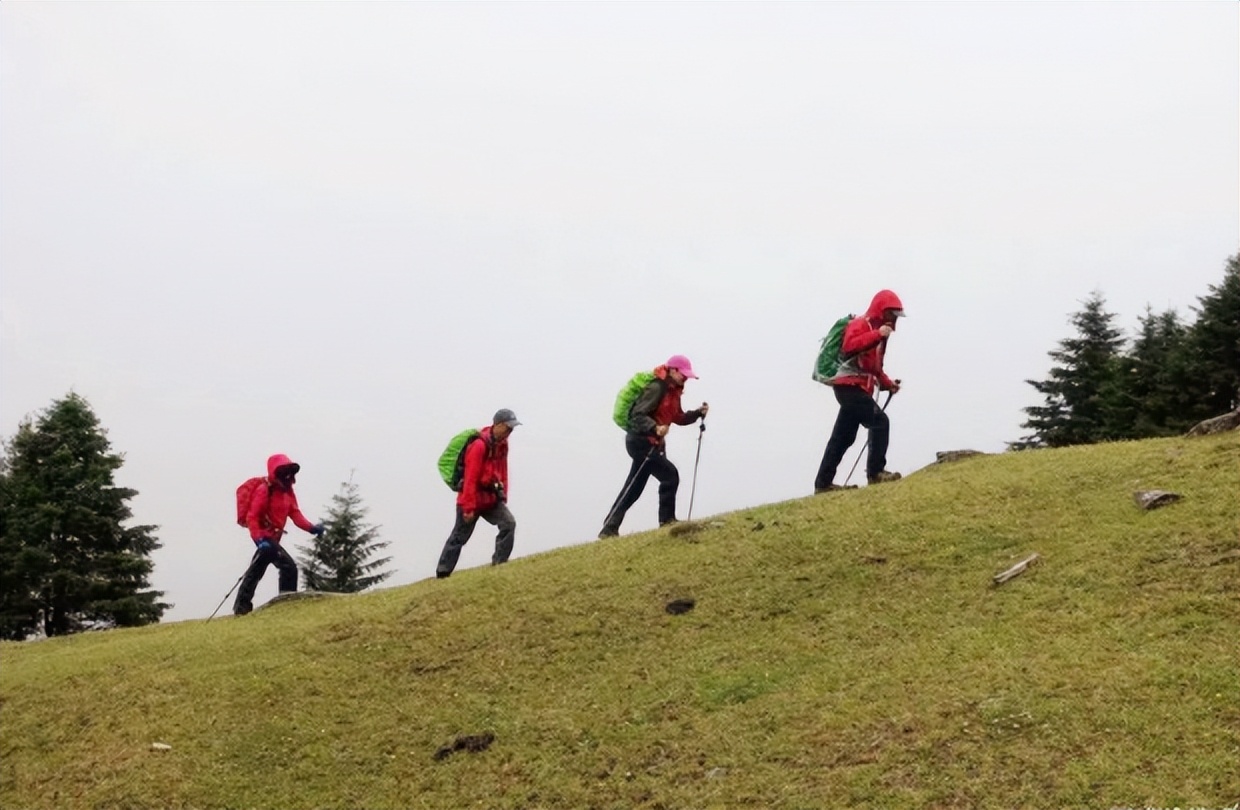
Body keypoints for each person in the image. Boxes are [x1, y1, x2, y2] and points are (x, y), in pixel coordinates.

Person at [599, 355, 709, 538]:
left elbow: (678, 417)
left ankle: (609, 527)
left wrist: (697, 413)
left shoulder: (673, 390)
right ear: (673, 370)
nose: (686, 378)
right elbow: (637, 414)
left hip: (651, 443)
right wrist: (655, 428)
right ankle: (666, 522)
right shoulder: (657, 387)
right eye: (683, 374)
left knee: (634, 486)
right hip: (641, 442)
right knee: (670, 476)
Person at [814, 290, 905, 493]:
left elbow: (872, 367)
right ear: (882, 311)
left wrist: (888, 384)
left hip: (854, 387)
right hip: (849, 386)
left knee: (843, 436)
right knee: (879, 421)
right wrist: (876, 335)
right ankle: (876, 473)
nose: (894, 320)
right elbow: (849, 347)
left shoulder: (877, 331)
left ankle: (823, 484)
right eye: (892, 314)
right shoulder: (861, 324)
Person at [234, 453, 325, 616]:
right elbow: (252, 517)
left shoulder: (288, 493)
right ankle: (286, 603)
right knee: (288, 567)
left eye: (289, 471)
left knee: (256, 570)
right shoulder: (264, 490)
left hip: (271, 539)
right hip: (265, 538)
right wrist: (259, 539)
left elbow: (296, 514)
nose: (288, 475)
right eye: (284, 471)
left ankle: (241, 607)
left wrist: (312, 528)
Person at [436, 409, 521, 578]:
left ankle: (500, 564)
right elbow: (470, 479)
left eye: (511, 428)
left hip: (491, 498)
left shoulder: (503, 445)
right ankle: (442, 573)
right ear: (498, 425)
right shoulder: (479, 445)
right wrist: (468, 507)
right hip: (471, 498)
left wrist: (503, 494)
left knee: (508, 524)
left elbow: (503, 470)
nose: (510, 432)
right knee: (459, 538)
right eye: (508, 427)